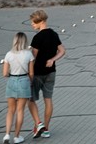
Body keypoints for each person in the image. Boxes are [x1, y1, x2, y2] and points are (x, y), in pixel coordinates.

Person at [28, 10, 66, 139]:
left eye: (34, 23)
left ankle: (38, 123)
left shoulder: (37, 38)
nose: (32, 25)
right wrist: (52, 59)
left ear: (41, 21)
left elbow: (33, 58)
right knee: (48, 100)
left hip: (37, 73)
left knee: (31, 99)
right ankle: (46, 129)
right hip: (51, 72)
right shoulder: (54, 34)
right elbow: (62, 51)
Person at [2, 32, 34, 144]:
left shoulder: (9, 54)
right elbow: (31, 73)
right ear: (25, 41)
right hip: (24, 81)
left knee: (10, 110)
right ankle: (17, 136)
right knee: (20, 110)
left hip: (12, 81)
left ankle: (6, 135)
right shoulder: (29, 54)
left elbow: (5, 73)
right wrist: (30, 83)